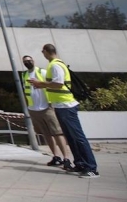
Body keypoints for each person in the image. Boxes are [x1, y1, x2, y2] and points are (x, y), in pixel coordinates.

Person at [31, 44, 99, 178]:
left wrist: (41, 84)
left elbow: (59, 83)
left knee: (78, 137)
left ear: (46, 51)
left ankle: (91, 167)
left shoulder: (55, 65)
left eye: (43, 52)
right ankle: (80, 163)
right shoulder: (55, 64)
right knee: (71, 137)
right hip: (60, 105)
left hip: (66, 105)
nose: (42, 54)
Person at [22, 55, 73, 170]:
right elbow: (26, 91)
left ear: (33, 61)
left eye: (29, 60)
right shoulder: (24, 75)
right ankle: (56, 156)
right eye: (25, 61)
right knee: (46, 133)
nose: (27, 63)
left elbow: (53, 85)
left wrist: (52, 102)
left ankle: (66, 158)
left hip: (47, 106)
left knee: (57, 132)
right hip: (34, 108)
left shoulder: (42, 72)